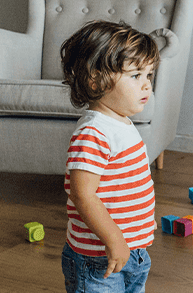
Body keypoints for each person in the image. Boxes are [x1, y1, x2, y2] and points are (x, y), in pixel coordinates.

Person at [60, 20, 160, 293]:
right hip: (98, 256)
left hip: (132, 250)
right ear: (96, 80)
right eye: (135, 75)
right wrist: (114, 238)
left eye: (149, 75)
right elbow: (83, 194)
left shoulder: (122, 124)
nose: (146, 86)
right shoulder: (93, 132)